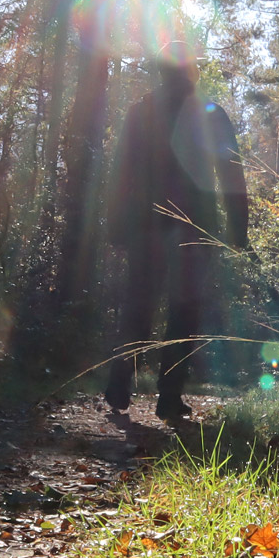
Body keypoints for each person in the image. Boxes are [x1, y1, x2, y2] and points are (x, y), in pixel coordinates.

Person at [103, 45, 249, 421]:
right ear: (192, 72)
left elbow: (122, 170)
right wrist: (238, 229)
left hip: (146, 223)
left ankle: (120, 384)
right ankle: (168, 397)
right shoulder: (211, 114)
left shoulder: (141, 111)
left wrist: (116, 224)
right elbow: (231, 174)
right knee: (184, 313)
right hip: (194, 225)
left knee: (139, 306)